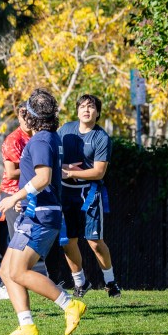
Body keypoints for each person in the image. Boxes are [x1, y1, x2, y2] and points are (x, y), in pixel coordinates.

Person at [0, 89, 87, 335]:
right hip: (35, 211)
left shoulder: (39, 141)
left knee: (18, 271)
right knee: (6, 271)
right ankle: (27, 326)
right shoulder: (50, 137)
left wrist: (15, 196)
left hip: (41, 215)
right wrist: (24, 199)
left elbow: (44, 178)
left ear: (31, 114)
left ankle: (70, 304)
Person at [58, 94, 122, 298]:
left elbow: (99, 172)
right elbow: (51, 158)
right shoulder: (65, 131)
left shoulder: (101, 137)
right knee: (68, 240)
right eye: (83, 106)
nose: (86, 109)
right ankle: (80, 283)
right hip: (65, 192)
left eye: (91, 106)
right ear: (77, 110)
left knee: (95, 242)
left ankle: (110, 283)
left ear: (98, 112)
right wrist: (63, 169)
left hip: (89, 194)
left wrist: (71, 173)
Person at [0, 105, 50, 300]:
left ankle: (18, 281)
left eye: (29, 115)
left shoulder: (38, 137)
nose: (27, 119)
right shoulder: (13, 140)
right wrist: (42, 170)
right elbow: (11, 172)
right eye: (23, 115)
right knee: (17, 239)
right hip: (12, 194)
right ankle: (5, 285)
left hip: (30, 191)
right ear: (18, 117)